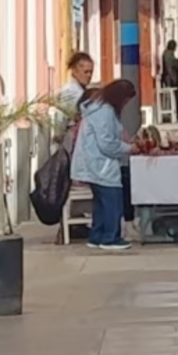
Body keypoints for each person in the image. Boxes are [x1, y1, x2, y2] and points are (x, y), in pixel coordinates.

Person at [70, 77, 137, 249]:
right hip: (101, 164)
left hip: (92, 162)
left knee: (100, 203)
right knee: (112, 201)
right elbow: (107, 143)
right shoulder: (105, 111)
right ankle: (110, 237)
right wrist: (128, 148)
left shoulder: (97, 108)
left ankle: (97, 235)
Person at [57, 50, 96, 119]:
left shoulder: (83, 90)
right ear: (75, 71)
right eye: (86, 72)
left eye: (91, 72)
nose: (89, 75)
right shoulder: (69, 92)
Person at [159, 39, 178, 112]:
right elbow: (169, 67)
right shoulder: (168, 54)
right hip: (170, 78)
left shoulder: (168, 54)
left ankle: (177, 111)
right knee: (176, 96)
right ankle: (176, 112)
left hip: (171, 77)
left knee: (176, 96)